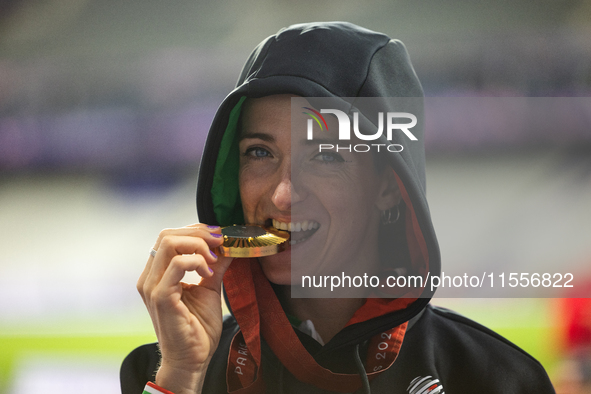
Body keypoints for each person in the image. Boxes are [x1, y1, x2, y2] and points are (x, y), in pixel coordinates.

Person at [121, 22, 556, 393]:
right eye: (259, 153)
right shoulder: (167, 371)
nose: (282, 196)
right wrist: (181, 376)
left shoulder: (494, 377)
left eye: (325, 156)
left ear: (390, 187)